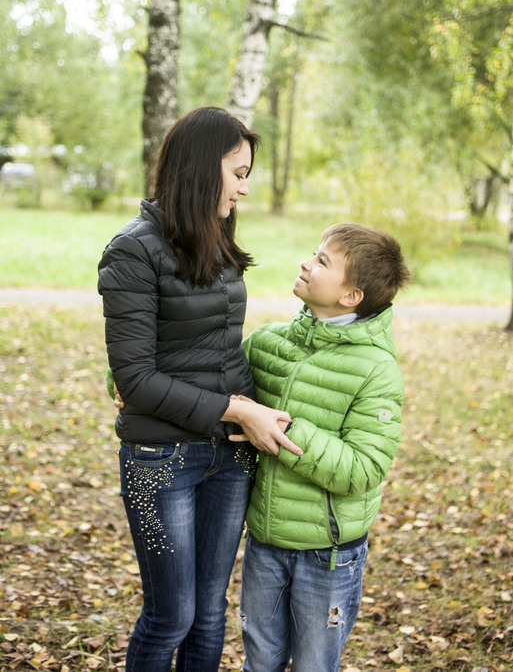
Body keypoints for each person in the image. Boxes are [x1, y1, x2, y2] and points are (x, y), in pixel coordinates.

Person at [97, 106, 302, 672]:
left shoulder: (217, 241)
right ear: (198, 167)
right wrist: (237, 408)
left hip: (228, 455)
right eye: (238, 173)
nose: (243, 189)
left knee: (211, 613)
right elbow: (135, 375)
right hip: (160, 460)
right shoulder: (133, 251)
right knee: (173, 616)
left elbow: (214, 348)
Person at [230, 222, 412, 672]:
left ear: (351, 295)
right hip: (266, 543)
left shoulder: (376, 370)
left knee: (314, 665)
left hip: (329, 555)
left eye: (322, 261)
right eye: (314, 253)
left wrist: (282, 431)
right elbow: (209, 371)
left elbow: (364, 469)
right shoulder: (270, 342)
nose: (306, 263)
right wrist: (131, 380)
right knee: (260, 660)